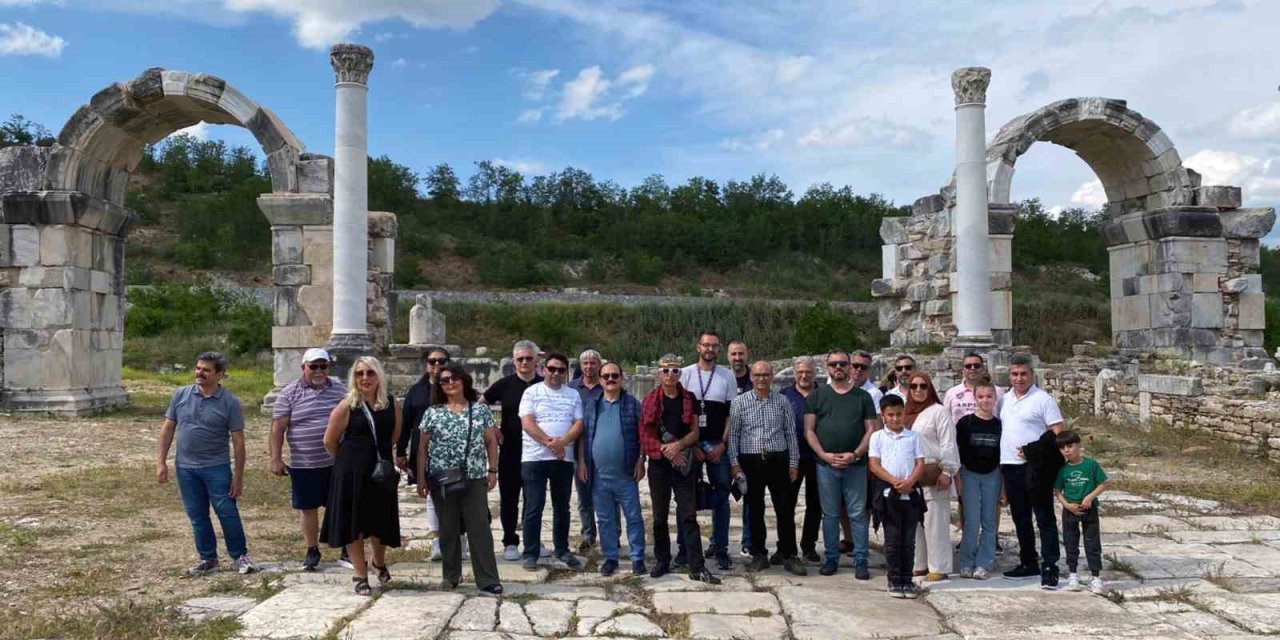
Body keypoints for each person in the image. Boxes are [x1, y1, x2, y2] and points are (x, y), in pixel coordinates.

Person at [156, 351, 256, 576]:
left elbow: (238, 442)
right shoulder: (181, 395)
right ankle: (207, 558)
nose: (199, 373)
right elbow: (167, 429)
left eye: (206, 370)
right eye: (198, 368)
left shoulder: (229, 402)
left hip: (216, 467)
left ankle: (239, 555)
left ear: (219, 375)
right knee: (197, 515)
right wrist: (160, 462)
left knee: (226, 512)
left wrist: (238, 477)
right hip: (186, 467)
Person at [416, 364, 503, 595]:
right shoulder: (433, 412)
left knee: (479, 528)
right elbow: (422, 448)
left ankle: (487, 578)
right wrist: (421, 478)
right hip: (442, 478)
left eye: (454, 378)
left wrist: (492, 470)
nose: (450, 383)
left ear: (464, 380)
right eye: (444, 380)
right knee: (448, 528)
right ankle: (450, 576)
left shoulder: (479, 411)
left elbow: (491, 442)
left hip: (473, 477)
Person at [320, 356, 402, 596]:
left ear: (379, 376)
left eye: (370, 373)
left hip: (380, 471)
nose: (365, 378)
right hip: (352, 472)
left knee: (380, 521)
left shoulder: (391, 403)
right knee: (353, 523)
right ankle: (360, 573)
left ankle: (378, 561)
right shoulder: (347, 406)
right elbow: (329, 441)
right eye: (359, 374)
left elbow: (394, 436)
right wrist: (351, 460)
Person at [643, 355, 721, 584]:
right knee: (659, 517)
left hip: (685, 463)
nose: (670, 375)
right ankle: (662, 559)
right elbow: (646, 433)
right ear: (659, 374)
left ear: (680, 374)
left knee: (688, 515)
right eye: (665, 371)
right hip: (659, 463)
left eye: (675, 370)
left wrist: (678, 446)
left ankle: (696, 566)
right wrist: (667, 450)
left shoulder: (690, 399)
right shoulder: (650, 400)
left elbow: (695, 431)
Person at [269, 348, 348, 571]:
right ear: (303, 367)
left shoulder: (339, 390)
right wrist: (275, 458)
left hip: (335, 461)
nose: (319, 371)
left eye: (323, 366)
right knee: (308, 508)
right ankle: (312, 549)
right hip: (304, 462)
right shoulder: (289, 393)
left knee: (340, 505)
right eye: (314, 366)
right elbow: (278, 427)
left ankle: (345, 547)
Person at [805, 348, 879, 578]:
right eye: (833, 364)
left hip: (855, 465)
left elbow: (871, 430)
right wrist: (823, 454)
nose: (838, 368)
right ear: (827, 368)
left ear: (849, 367)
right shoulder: (817, 396)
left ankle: (860, 560)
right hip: (826, 465)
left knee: (857, 514)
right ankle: (831, 558)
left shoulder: (862, 397)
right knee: (830, 514)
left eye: (843, 364)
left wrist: (856, 454)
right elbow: (809, 430)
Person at [729, 361, 804, 575]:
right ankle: (759, 554)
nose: (761, 379)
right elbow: (733, 435)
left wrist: (793, 463)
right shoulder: (739, 403)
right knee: (754, 510)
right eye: (757, 375)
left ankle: (790, 554)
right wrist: (734, 463)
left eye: (765, 375)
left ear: (772, 377)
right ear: (751, 377)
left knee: (784, 509)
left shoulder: (782, 401)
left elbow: (790, 434)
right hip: (751, 461)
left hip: (778, 460)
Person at [999, 353, 1065, 588]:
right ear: (1009, 374)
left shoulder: (1043, 400)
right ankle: (1028, 561)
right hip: (1010, 467)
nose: (1019, 378)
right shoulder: (1004, 399)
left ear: (1032, 374)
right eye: (1014, 374)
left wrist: (1032, 450)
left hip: (1035, 467)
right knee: (1020, 518)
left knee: (1044, 517)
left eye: (1023, 374)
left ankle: (1050, 565)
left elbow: (1057, 432)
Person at [578, 362, 647, 576]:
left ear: (621, 378)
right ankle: (610, 557)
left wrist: (640, 460)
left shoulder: (633, 404)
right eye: (605, 376)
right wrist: (580, 461)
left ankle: (637, 558)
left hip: (626, 474)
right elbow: (582, 436)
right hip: (599, 476)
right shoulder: (591, 405)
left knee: (634, 517)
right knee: (605, 520)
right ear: (600, 380)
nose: (610, 379)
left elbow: (642, 435)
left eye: (614, 375)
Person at [518, 352, 585, 571]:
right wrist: (550, 443)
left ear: (566, 372)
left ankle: (562, 549)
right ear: (543, 369)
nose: (556, 373)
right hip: (535, 457)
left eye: (561, 370)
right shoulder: (531, 392)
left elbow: (578, 423)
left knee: (562, 507)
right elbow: (527, 423)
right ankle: (531, 551)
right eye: (552, 369)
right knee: (534, 506)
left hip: (563, 459)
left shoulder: (573, 394)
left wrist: (562, 442)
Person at [679, 331, 736, 570]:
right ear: (698, 347)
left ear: (718, 349)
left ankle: (720, 548)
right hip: (691, 444)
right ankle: (685, 549)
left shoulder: (727, 376)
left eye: (714, 346)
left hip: (716, 444)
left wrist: (722, 444)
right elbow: (679, 414)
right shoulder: (685, 374)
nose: (709, 349)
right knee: (686, 497)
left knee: (722, 496)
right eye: (705, 345)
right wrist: (691, 444)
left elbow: (731, 415)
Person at [483, 340, 544, 561]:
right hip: (510, 450)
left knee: (534, 498)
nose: (525, 362)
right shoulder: (504, 384)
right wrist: (492, 429)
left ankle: (532, 539)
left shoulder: (544, 384)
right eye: (520, 359)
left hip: (537, 451)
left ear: (536, 360)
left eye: (529, 358)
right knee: (509, 498)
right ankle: (509, 541)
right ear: (514, 361)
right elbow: (481, 404)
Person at [903, 371, 958, 582]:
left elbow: (948, 443)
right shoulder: (905, 412)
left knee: (935, 521)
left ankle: (939, 566)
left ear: (929, 388)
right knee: (915, 522)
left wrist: (947, 471)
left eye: (922, 386)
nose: (918, 390)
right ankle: (919, 564)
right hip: (910, 474)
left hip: (933, 471)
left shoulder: (938, 412)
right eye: (914, 386)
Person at [869, 394, 925, 599]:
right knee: (892, 539)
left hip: (909, 495)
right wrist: (894, 481)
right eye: (890, 415)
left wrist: (909, 482)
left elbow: (920, 462)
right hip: (888, 495)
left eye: (898, 414)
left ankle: (906, 579)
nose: (895, 419)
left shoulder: (913, 437)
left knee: (908, 540)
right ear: (883, 416)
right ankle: (893, 579)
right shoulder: (877, 437)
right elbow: (874, 465)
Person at [397, 348, 448, 561]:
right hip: (423, 451)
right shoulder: (416, 391)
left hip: (450, 449)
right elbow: (406, 423)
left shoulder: (454, 386)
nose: (437, 365)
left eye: (441, 361)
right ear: (425, 364)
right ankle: (438, 543)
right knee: (431, 496)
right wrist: (400, 451)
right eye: (432, 361)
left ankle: (459, 542)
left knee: (457, 496)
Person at [956, 380, 1002, 580]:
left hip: (992, 474)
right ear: (975, 398)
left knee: (989, 521)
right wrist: (957, 479)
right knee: (972, 521)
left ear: (995, 398)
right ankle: (967, 561)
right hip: (969, 474)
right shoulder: (965, 423)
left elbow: (1003, 455)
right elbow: (956, 453)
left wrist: (1004, 487)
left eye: (989, 396)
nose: (985, 400)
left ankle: (984, 562)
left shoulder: (1000, 425)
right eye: (981, 396)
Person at [1054, 431, 1109, 595]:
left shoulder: (1091, 465)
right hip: (1070, 510)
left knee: (1092, 543)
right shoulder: (1063, 469)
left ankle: (1096, 577)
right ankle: (1073, 575)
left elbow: (1103, 483)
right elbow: (1057, 490)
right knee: (1071, 542)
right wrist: (1067, 505)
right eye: (1062, 448)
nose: (1067, 451)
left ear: (1078, 445)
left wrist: (1090, 497)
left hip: (1088, 509)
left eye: (1070, 446)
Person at [780, 356, 822, 563]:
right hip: (791, 458)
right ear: (794, 373)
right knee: (786, 503)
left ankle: (809, 546)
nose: (804, 375)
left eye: (808, 372)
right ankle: (785, 547)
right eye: (800, 372)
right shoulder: (785, 395)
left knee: (815, 504)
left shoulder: (824, 394)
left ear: (814, 372)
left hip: (817, 457)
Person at [568, 349, 605, 553]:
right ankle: (588, 534)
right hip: (578, 449)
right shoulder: (572, 388)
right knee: (584, 497)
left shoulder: (607, 385)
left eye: (593, 363)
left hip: (603, 447)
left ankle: (612, 534)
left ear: (599, 365)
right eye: (586, 363)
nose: (589, 366)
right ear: (581, 366)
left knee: (608, 495)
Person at [943, 352, 1005, 423]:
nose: (972, 368)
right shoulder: (952, 393)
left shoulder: (998, 391)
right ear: (963, 369)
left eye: (977, 366)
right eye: (968, 366)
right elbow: (945, 420)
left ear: (983, 368)